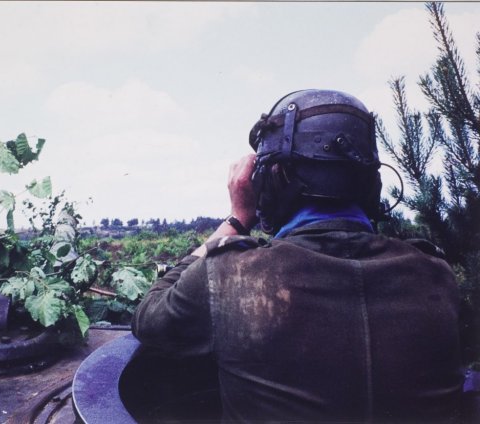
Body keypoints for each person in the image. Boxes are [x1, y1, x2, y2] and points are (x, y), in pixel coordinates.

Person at [132, 89, 463, 422]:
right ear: (370, 183)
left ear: (270, 181)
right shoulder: (437, 277)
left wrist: (237, 219)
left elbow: (149, 317)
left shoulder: (228, 276)